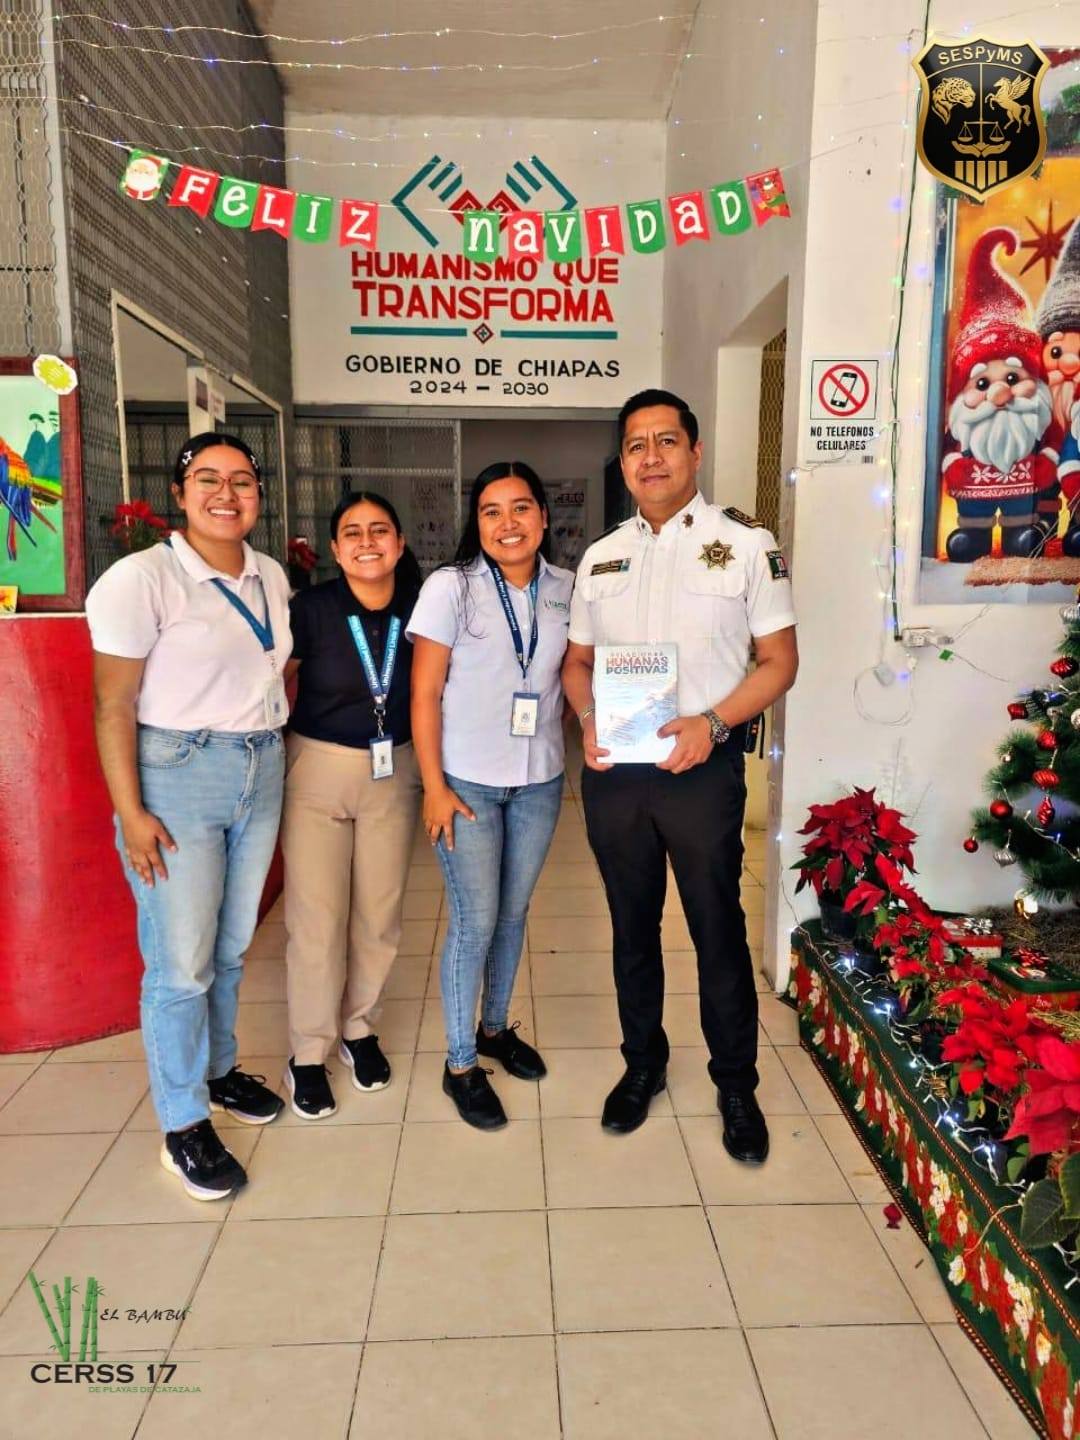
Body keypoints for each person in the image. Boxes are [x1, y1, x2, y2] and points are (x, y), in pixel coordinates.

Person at [562, 389, 798, 1161]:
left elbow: (780, 662)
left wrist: (714, 724)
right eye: (636, 444)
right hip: (619, 773)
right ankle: (643, 1065)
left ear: (695, 452)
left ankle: (736, 1084)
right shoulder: (601, 557)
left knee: (715, 929)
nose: (652, 457)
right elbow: (577, 663)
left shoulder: (746, 545)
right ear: (622, 462)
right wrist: (587, 717)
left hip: (702, 770)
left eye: (667, 440)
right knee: (631, 928)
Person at [86, 433, 291, 1200]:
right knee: (180, 964)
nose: (226, 494)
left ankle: (218, 1070)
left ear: (258, 494)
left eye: (241, 481)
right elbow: (112, 704)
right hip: (178, 777)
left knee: (231, 946)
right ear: (179, 493)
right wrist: (130, 811)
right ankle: (183, 1124)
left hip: (260, 767)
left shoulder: (270, 574)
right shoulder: (143, 578)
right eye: (208, 479)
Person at [408, 462, 573, 1129]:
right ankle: (460, 1064)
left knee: (512, 914)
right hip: (467, 781)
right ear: (475, 522)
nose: (508, 523)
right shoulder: (451, 588)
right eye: (491, 511)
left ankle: (496, 1029)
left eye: (521, 508)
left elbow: (580, 672)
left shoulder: (568, 588)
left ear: (543, 517)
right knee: (475, 920)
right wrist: (434, 787)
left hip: (540, 779)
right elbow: (424, 693)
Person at [281, 492, 423, 1119]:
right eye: (353, 533)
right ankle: (308, 1053)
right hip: (318, 771)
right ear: (336, 549)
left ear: (399, 543)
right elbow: (271, 682)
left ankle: (359, 1029)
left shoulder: (420, 608)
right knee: (316, 918)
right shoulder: (310, 609)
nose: (368, 542)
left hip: (395, 770)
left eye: (380, 530)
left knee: (379, 913)